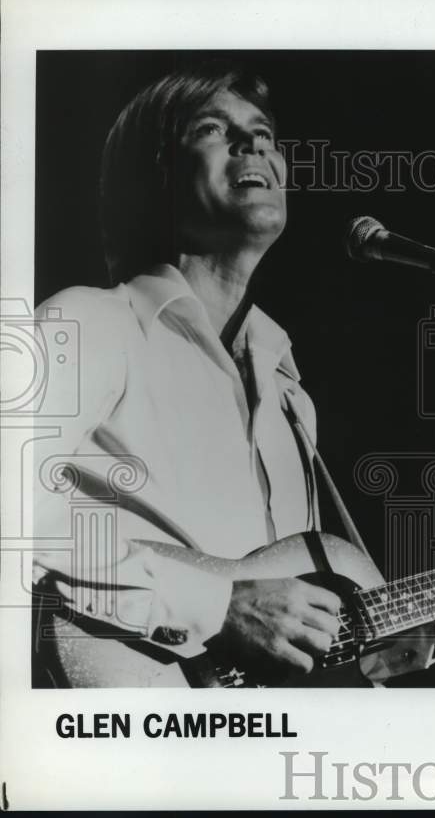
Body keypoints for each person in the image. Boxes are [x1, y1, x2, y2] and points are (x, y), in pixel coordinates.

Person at [31, 61, 345, 686]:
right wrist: (215, 606)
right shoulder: (91, 322)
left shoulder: (289, 393)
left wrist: (365, 640)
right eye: (212, 127)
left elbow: (282, 613)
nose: (255, 143)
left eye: (265, 133)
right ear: (155, 176)